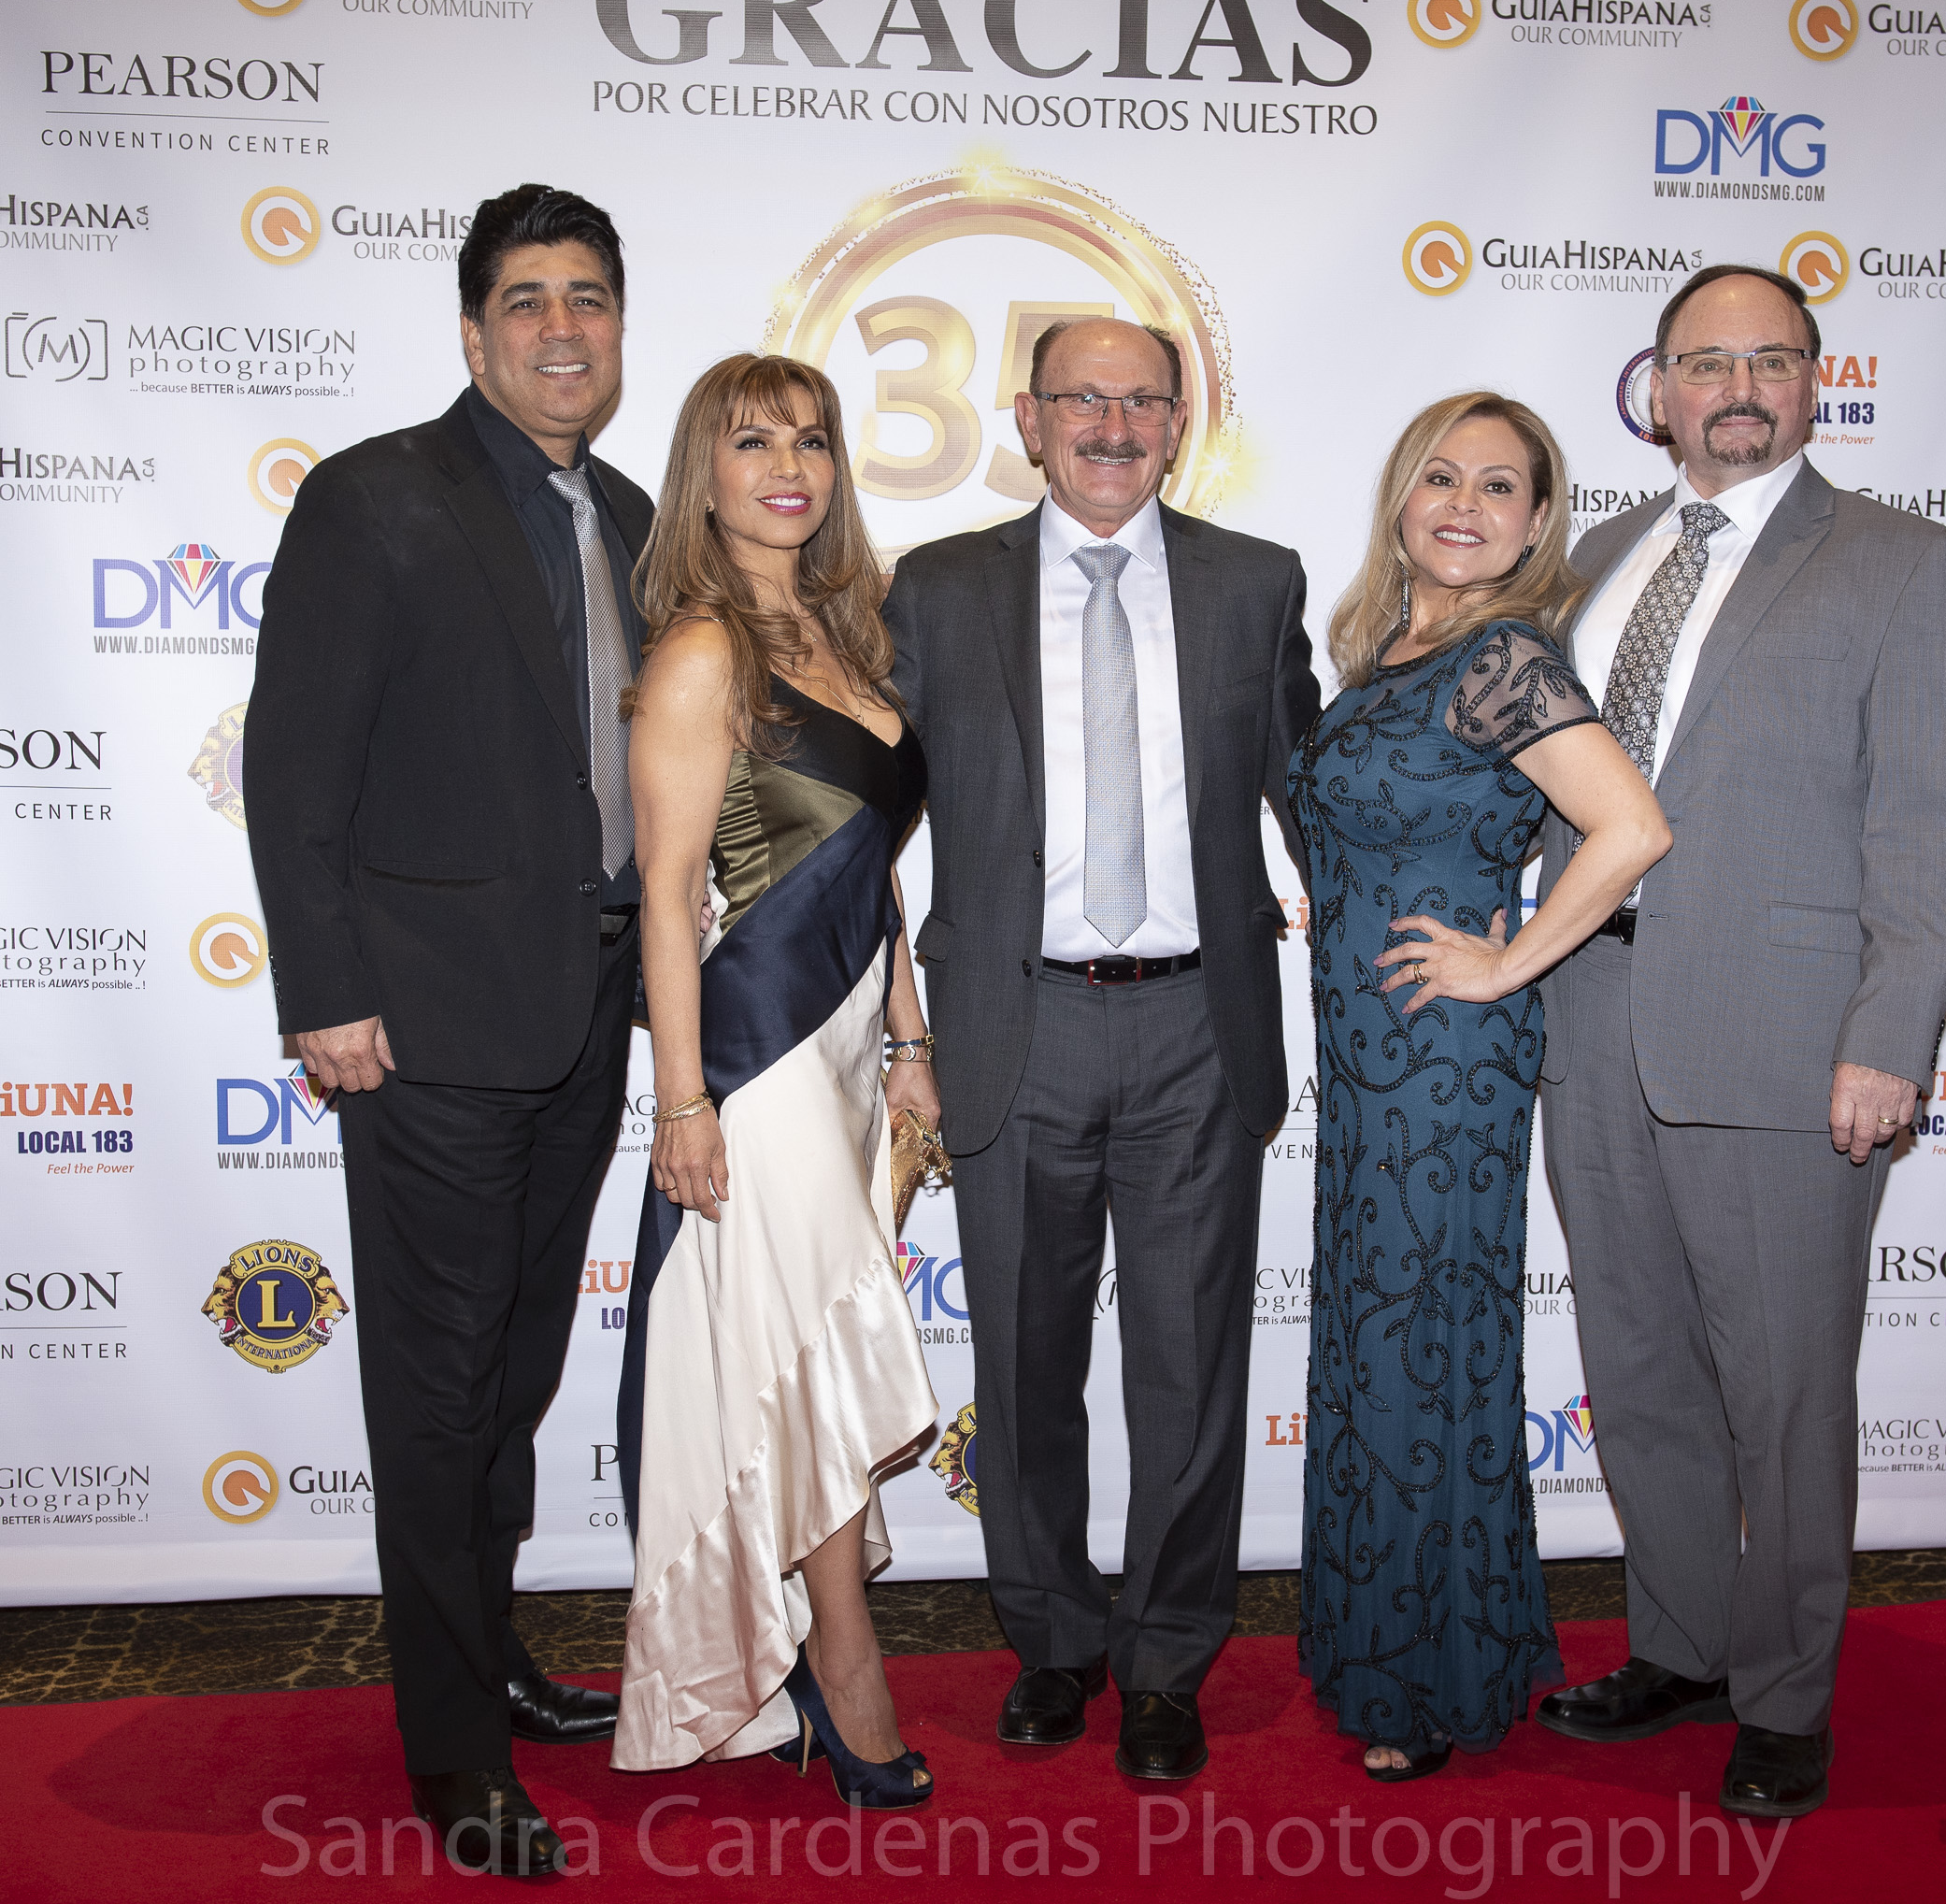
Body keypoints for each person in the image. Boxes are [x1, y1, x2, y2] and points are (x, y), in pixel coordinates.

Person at [1533, 265, 1946, 1820]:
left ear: (1814, 380)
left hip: (1789, 1043)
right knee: (1640, 1365)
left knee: (1784, 1393)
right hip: (1589, 1023)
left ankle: (1786, 1693)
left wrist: (1890, 1035)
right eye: (1706, 362)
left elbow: (1927, 824)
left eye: (1769, 361)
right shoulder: (1593, 559)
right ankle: (1682, 1646)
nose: (1736, 388)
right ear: (1656, 387)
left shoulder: (1902, 561)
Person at [244, 184, 652, 1876]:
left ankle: (487, 1654)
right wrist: (325, 992)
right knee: (437, 1388)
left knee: (517, 1373)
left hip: (586, 1014)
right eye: (528, 299)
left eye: (589, 298)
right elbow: (294, 767)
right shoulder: (377, 497)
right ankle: (453, 1748)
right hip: (419, 1029)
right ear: (476, 333)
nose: (563, 328)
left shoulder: (627, 511)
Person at [881, 317, 1322, 1782]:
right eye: (1084, 397)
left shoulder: (1256, 583)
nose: (1114, 426)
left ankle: (1170, 1658)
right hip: (1017, 1024)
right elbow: (861, 820)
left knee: (1191, 1370)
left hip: (1201, 1022)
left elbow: (1315, 800)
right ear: (1029, 418)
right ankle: (1053, 1641)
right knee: (1024, 1361)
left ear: (1179, 423)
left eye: (1144, 400)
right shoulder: (939, 589)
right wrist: (881, 1024)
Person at [1288, 394, 1670, 1781]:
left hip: (1444, 1069)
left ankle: (1422, 1676)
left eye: (1500, 487)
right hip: (1367, 1056)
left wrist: (1506, 963)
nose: (1465, 505)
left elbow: (1630, 827)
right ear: (1401, 499)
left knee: (1421, 1348)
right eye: (1441, 477)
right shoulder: (1389, 650)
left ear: (1537, 521)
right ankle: (1399, 1644)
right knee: (1387, 1343)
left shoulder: (1504, 657)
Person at [610, 354, 939, 1809]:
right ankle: (845, 1664)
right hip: (760, 1056)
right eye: (753, 442)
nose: (789, 467)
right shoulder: (703, 652)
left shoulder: (845, 635)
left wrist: (911, 1038)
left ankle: (811, 1636)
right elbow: (667, 891)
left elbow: (876, 872)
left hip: (853, 1045)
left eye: (811, 440)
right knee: (804, 1348)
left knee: (809, 1345)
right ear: (708, 472)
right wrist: (683, 1100)